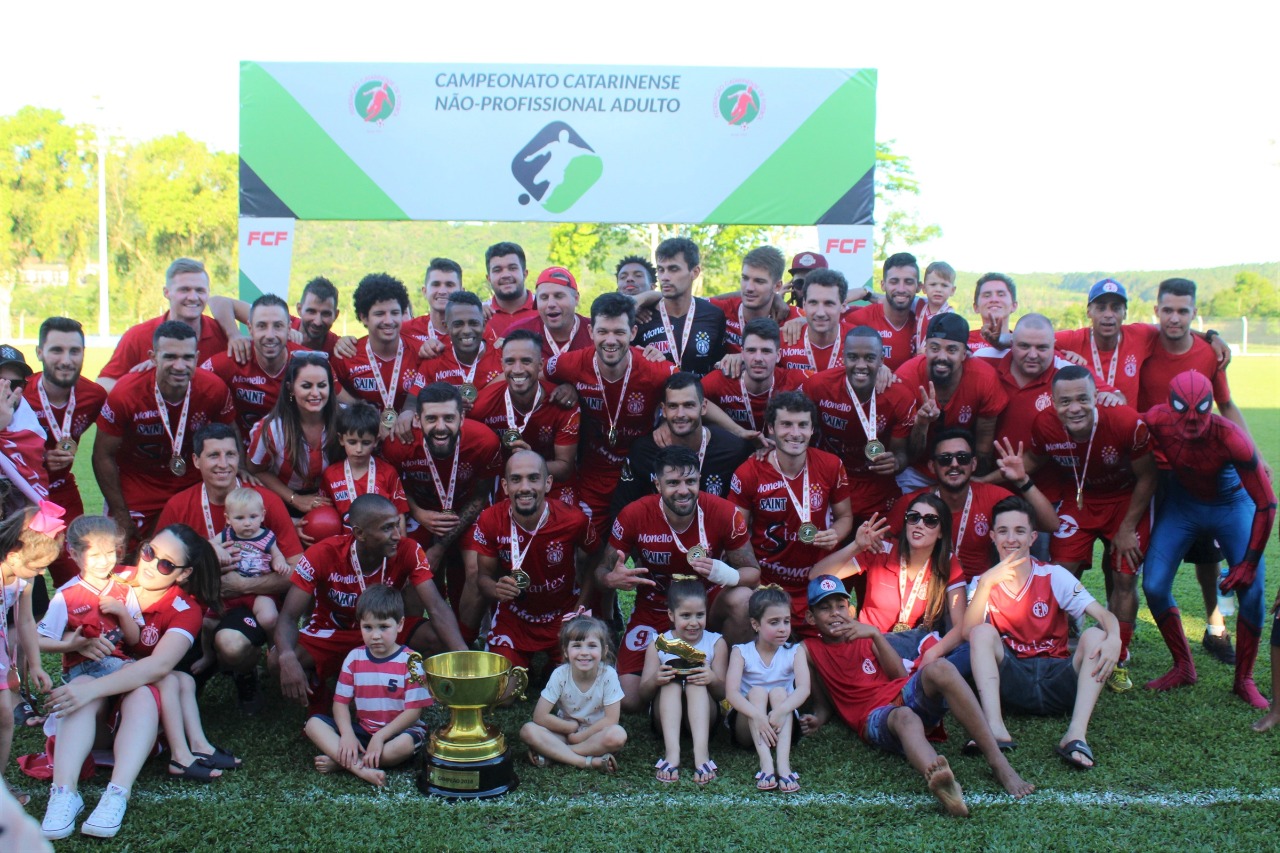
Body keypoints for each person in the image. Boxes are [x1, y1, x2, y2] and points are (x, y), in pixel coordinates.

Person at [40, 524, 221, 840]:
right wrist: (75, 643)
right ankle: (64, 793)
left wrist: (90, 688)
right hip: (92, 720)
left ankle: (117, 794)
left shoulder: (185, 608)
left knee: (144, 690)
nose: (150, 565)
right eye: (149, 552)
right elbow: (63, 625)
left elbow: (158, 666)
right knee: (86, 689)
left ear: (182, 573)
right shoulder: (112, 576)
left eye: (165, 564)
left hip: (136, 718)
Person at [802, 573, 1034, 815]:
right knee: (905, 717)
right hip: (874, 716)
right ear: (810, 616)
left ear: (850, 610)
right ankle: (946, 784)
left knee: (942, 668)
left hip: (900, 693)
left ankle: (999, 763)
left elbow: (899, 676)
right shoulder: (809, 650)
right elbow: (822, 703)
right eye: (825, 608)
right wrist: (818, 717)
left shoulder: (866, 636)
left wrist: (875, 635)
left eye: (840, 606)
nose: (835, 613)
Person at [1138, 277, 1260, 667]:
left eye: (1183, 311)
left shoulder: (1208, 353)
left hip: (1202, 472)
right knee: (1137, 550)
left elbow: (1226, 405)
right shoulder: (1142, 343)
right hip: (1153, 471)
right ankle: (1119, 625)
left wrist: (1255, 455)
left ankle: (1215, 627)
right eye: (1168, 310)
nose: (1174, 318)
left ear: (1193, 312)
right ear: (1156, 310)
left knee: (1209, 555)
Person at [1141, 371, 1275, 709]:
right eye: (1181, 410)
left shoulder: (1231, 437)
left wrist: (1248, 563)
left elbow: (1267, 502)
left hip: (1231, 505)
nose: (1190, 420)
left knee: (1253, 587)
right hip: (1182, 506)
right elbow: (1120, 427)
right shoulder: (1156, 419)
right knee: (1154, 584)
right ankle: (1183, 666)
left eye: (1199, 410)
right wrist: (1106, 399)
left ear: (1211, 405)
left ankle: (1243, 679)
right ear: (1168, 407)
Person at [1023, 365, 1155, 692]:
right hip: (1079, 499)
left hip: (1125, 501)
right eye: (1065, 401)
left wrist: (1126, 527)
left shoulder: (1126, 422)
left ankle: (1119, 655)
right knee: (1060, 572)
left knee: (1124, 575)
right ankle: (1063, 641)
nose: (1075, 408)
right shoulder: (1044, 425)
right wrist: (999, 473)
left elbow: (1149, 476)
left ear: (1096, 396)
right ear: (1052, 402)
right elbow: (1033, 462)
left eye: (1083, 398)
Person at [273, 493, 466, 716]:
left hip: (383, 631)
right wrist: (286, 656)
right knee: (276, 659)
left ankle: (402, 681)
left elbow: (436, 607)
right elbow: (287, 617)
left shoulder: (408, 549)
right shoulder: (323, 553)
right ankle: (322, 698)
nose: (396, 535)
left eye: (397, 525)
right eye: (386, 529)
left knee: (439, 637)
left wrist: (463, 655)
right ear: (359, 533)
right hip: (334, 633)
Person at [965, 497, 1121, 771]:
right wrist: (988, 582)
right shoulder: (983, 582)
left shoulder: (1054, 575)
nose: (1011, 539)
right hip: (1014, 681)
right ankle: (995, 728)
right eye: (1003, 531)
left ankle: (1075, 735)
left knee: (1096, 636)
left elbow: (1104, 616)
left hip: (1057, 680)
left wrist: (1116, 639)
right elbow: (968, 632)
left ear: (1033, 537)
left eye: (1019, 531)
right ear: (992, 536)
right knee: (981, 632)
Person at [156, 423, 301, 713]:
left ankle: (245, 674)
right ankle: (205, 660)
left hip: (248, 604)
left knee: (232, 644)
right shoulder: (179, 505)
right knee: (177, 688)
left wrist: (244, 585)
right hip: (198, 607)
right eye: (213, 456)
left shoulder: (264, 502)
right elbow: (159, 570)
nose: (224, 464)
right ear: (196, 461)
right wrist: (203, 572)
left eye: (231, 454)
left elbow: (298, 570)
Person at [602, 445, 761, 710]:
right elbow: (601, 572)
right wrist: (611, 580)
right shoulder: (634, 514)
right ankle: (673, 689)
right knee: (629, 699)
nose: (683, 490)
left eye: (690, 481)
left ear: (700, 479)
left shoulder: (724, 512)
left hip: (707, 605)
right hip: (656, 607)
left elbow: (753, 573)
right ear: (657, 483)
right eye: (673, 482)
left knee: (744, 599)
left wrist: (724, 572)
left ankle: (727, 676)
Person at [545, 292, 678, 543]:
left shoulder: (655, 369)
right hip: (593, 474)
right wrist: (562, 387)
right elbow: (534, 376)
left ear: (633, 332)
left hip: (641, 471)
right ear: (590, 330)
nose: (610, 340)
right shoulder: (571, 364)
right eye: (603, 331)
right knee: (587, 549)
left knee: (648, 548)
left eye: (619, 332)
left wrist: (667, 421)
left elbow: (691, 394)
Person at [93, 321, 237, 552]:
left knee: (195, 553)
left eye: (187, 357)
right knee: (126, 556)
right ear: (153, 357)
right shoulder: (126, 393)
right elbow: (102, 455)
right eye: (170, 357)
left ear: (197, 356)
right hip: (139, 485)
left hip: (191, 484)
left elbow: (231, 438)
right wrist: (120, 511)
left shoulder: (213, 388)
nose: (180, 366)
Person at [728, 391, 852, 638]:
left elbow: (845, 517)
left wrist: (834, 534)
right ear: (771, 429)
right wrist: (756, 580)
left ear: (812, 429)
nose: (795, 433)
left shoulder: (831, 465)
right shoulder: (749, 472)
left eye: (802, 425)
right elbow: (735, 535)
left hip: (815, 583)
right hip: (767, 582)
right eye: (786, 424)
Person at [382, 382, 502, 621]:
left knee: (476, 568)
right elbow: (394, 484)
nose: (440, 427)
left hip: (466, 509)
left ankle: (466, 644)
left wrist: (439, 547)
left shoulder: (485, 441)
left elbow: (481, 496)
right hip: (420, 510)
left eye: (449, 418)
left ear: (462, 417)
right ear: (417, 419)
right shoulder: (397, 444)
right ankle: (418, 641)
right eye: (432, 418)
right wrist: (417, 513)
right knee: (409, 566)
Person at [813, 495, 968, 675]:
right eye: (913, 517)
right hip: (869, 646)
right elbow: (817, 575)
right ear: (906, 522)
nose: (919, 524)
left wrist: (932, 654)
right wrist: (856, 546)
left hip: (914, 649)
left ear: (941, 531)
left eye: (930, 521)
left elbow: (961, 626)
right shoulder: (882, 549)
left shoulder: (947, 562)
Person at [466, 451, 596, 661]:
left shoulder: (574, 520)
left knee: (574, 688)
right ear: (505, 486)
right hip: (515, 618)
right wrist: (496, 588)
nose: (525, 487)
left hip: (561, 616)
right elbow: (483, 578)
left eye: (533, 478)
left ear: (548, 483)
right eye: (516, 479)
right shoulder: (490, 519)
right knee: (503, 690)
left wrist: (579, 609)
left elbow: (593, 560)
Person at [302, 584, 431, 787]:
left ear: (400, 624)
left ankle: (349, 763)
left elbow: (414, 712)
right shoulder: (355, 658)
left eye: (383, 627)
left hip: (398, 732)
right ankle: (359, 764)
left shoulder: (412, 661)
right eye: (368, 627)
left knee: (403, 746)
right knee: (313, 724)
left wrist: (380, 737)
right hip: (364, 730)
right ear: (359, 625)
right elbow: (340, 704)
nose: (375, 635)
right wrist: (347, 735)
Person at [891, 429, 1057, 583]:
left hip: (978, 590)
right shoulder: (912, 503)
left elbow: (1051, 524)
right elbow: (885, 549)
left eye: (962, 458)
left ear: (973, 464)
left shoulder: (993, 496)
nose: (954, 464)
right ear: (932, 466)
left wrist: (1022, 481)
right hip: (927, 588)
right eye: (945, 459)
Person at [801, 325, 915, 525]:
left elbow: (902, 454)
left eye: (870, 358)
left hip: (875, 484)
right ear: (843, 358)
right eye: (853, 357)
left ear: (882, 361)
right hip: (829, 480)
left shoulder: (900, 397)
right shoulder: (818, 386)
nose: (861, 365)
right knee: (818, 544)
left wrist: (895, 462)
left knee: (886, 545)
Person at [25, 317, 107, 587]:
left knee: (77, 580)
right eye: (56, 350)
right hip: (22, 498)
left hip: (63, 495)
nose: (66, 359)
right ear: (39, 353)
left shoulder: (94, 396)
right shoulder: (20, 394)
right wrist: (39, 461)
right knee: (22, 580)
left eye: (75, 351)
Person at [467, 330, 579, 507]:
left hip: (553, 482)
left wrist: (529, 462)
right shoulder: (483, 405)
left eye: (526, 361)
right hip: (505, 480)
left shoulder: (562, 403)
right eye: (510, 361)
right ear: (502, 365)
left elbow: (565, 468)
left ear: (540, 365)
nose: (517, 369)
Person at [0, 506, 62, 807]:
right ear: (13, 556)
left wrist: (34, 664)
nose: (41, 573)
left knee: (3, 715)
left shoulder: (21, 578)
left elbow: (25, 621)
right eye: (38, 567)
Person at [899, 313, 1007, 485]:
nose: (942, 356)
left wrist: (972, 483)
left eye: (951, 350)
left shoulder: (984, 378)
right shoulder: (906, 378)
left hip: (962, 470)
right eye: (935, 348)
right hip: (917, 470)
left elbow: (983, 448)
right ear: (925, 349)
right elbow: (906, 453)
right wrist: (921, 423)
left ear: (964, 354)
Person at [615, 372, 752, 508]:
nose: (680, 414)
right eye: (673, 406)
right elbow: (623, 509)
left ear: (703, 407)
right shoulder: (643, 452)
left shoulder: (734, 450)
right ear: (664, 410)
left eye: (688, 405)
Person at [642, 578, 729, 786]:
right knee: (671, 683)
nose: (693, 622)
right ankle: (672, 753)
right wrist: (655, 680)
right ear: (671, 615)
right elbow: (643, 693)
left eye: (700, 615)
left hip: (703, 717)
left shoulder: (716, 642)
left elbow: (723, 693)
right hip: (664, 719)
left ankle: (701, 754)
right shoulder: (658, 643)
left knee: (695, 682)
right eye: (685, 616)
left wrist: (711, 678)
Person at [37, 516, 143, 682]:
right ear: (74, 554)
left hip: (118, 661)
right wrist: (72, 645)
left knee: (142, 682)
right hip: (83, 667)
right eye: (94, 555)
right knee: (138, 675)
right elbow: (40, 641)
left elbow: (134, 639)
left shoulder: (124, 588)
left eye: (109, 553)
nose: (103, 561)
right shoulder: (66, 595)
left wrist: (122, 612)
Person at [724, 585, 809, 792]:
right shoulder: (741, 652)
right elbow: (731, 694)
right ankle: (766, 763)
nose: (782, 628)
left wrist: (779, 711)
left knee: (780, 693)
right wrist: (758, 716)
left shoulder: (795, 651)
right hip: (748, 725)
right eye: (774, 622)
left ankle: (783, 765)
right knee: (757, 692)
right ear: (755, 624)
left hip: (782, 724)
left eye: (786, 621)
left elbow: (804, 689)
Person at [96, 258, 228, 391]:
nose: (193, 297)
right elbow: (103, 383)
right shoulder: (138, 336)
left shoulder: (223, 334)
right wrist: (144, 385)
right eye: (184, 290)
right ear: (166, 292)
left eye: (200, 290)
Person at [520, 615, 626, 773]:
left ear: (604, 650)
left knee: (617, 735)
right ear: (565, 651)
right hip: (564, 733)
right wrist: (570, 727)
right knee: (528, 730)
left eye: (592, 646)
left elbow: (611, 719)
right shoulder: (560, 674)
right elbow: (539, 716)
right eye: (577, 646)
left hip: (594, 735)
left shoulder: (608, 675)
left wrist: (579, 737)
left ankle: (555, 753)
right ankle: (586, 762)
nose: (584, 652)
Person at [331, 273, 428, 440]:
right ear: (363, 317)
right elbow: (331, 395)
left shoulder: (421, 353)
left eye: (395, 312)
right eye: (380, 313)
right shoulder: (347, 355)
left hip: (408, 444)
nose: (388, 320)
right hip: (363, 448)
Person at [248, 352, 342, 521]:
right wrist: (295, 499)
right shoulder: (271, 429)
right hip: (283, 503)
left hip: (335, 500)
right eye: (306, 386)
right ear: (290, 388)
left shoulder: (346, 418)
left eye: (322, 385)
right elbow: (255, 471)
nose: (315, 393)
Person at [198, 294, 299, 440]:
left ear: (289, 329)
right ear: (250, 328)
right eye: (262, 326)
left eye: (278, 326)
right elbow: (192, 384)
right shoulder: (233, 359)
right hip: (240, 452)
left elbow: (341, 404)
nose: (270, 335)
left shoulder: (306, 360)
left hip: (291, 453)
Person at [633, 237, 726, 377]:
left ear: (694, 272)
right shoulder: (643, 317)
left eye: (673, 269)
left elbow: (718, 368)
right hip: (658, 399)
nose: (664, 277)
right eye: (661, 270)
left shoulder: (714, 315)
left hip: (700, 397)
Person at [700, 318, 809, 433]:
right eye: (751, 350)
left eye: (766, 351)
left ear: (778, 355)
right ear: (741, 354)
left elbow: (827, 382)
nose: (758, 358)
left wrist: (803, 320)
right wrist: (737, 431)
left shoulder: (795, 380)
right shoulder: (722, 378)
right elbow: (689, 399)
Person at [318, 403, 409, 525]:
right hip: (344, 542)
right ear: (341, 439)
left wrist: (399, 543)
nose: (359, 449)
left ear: (376, 441)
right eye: (352, 442)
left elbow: (399, 515)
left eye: (366, 443)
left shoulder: (388, 472)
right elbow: (324, 514)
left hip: (382, 542)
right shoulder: (330, 475)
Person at [211, 276, 343, 358]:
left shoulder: (338, 345)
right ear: (299, 309)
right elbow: (217, 301)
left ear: (336, 315)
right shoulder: (278, 321)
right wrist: (235, 336)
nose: (317, 321)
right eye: (311, 312)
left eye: (325, 314)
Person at [218, 487, 289, 632]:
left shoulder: (267, 536)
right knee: (208, 622)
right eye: (239, 518)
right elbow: (208, 544)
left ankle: (272, 643)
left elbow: (276, 554)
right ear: (227, 518)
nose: (247, 523)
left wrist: (279, 563)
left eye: (253, 516)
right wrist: (218, 549)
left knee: (269, 617)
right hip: (230, 590)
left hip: (259, 591)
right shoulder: (228, 534)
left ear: (262, 515)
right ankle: (207, 652)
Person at [708, 246, 799, 353]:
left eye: (759, 281)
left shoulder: (791, 317)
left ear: (777, 286)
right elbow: (691, 302)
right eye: (745, 278)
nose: (749, 288)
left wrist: (804, 321)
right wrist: (775, 297)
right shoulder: (724, 308)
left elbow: (819, 318)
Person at [840, 252, 919, 371]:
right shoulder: (859, 319)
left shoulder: (923, 321)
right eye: (894, 282)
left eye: (908, 282)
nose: (901, 289)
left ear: (918, 287)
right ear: (883, 285)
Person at [420, 291, 504, 401]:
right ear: (446, 327)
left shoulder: (503, 356)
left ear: (484, 325)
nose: (466, 331)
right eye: (458, 324)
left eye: (473, 323)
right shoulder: (434, 360)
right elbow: (412, 404)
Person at [502, 267, 593, 360]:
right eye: (544, 297)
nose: (551, 304)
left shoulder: (597, 332)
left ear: (576, 299)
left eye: (559, 296)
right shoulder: (517, 333)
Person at [779, 270, 852, 372]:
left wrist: (881, 369)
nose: (820, 313)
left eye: (829, 303)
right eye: (813, 303)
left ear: (843, 306)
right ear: (804, 305)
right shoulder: (784, 339)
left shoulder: (859, 342)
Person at [402, 257, 464, 351]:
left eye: (449, 285)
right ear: (424, 291)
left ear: (462, 291)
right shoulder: (405, 331)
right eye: (436, 284)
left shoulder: (476, 331)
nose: (442, 291)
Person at [484, 241, 538, 338]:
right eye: (497, 270)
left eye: (512, 268)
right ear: (489, 278)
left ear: (525, 274)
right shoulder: (480, 315)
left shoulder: (544, 309)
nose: (505, 275)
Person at [912, 261, 957, 351]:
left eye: (944, 285)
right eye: (933, 284)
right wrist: (875, 297)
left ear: (952, 290)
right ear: (924, 288)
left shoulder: (950, 317)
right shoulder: (918, 303)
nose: (938, 289)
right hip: (913, 359)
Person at [968, 273, 1019, 353]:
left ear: (1014, 305)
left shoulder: (1024, 344)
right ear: (976, 307)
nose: (994, 299)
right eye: (987, 295)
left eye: (1001, 294)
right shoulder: (963, 341)